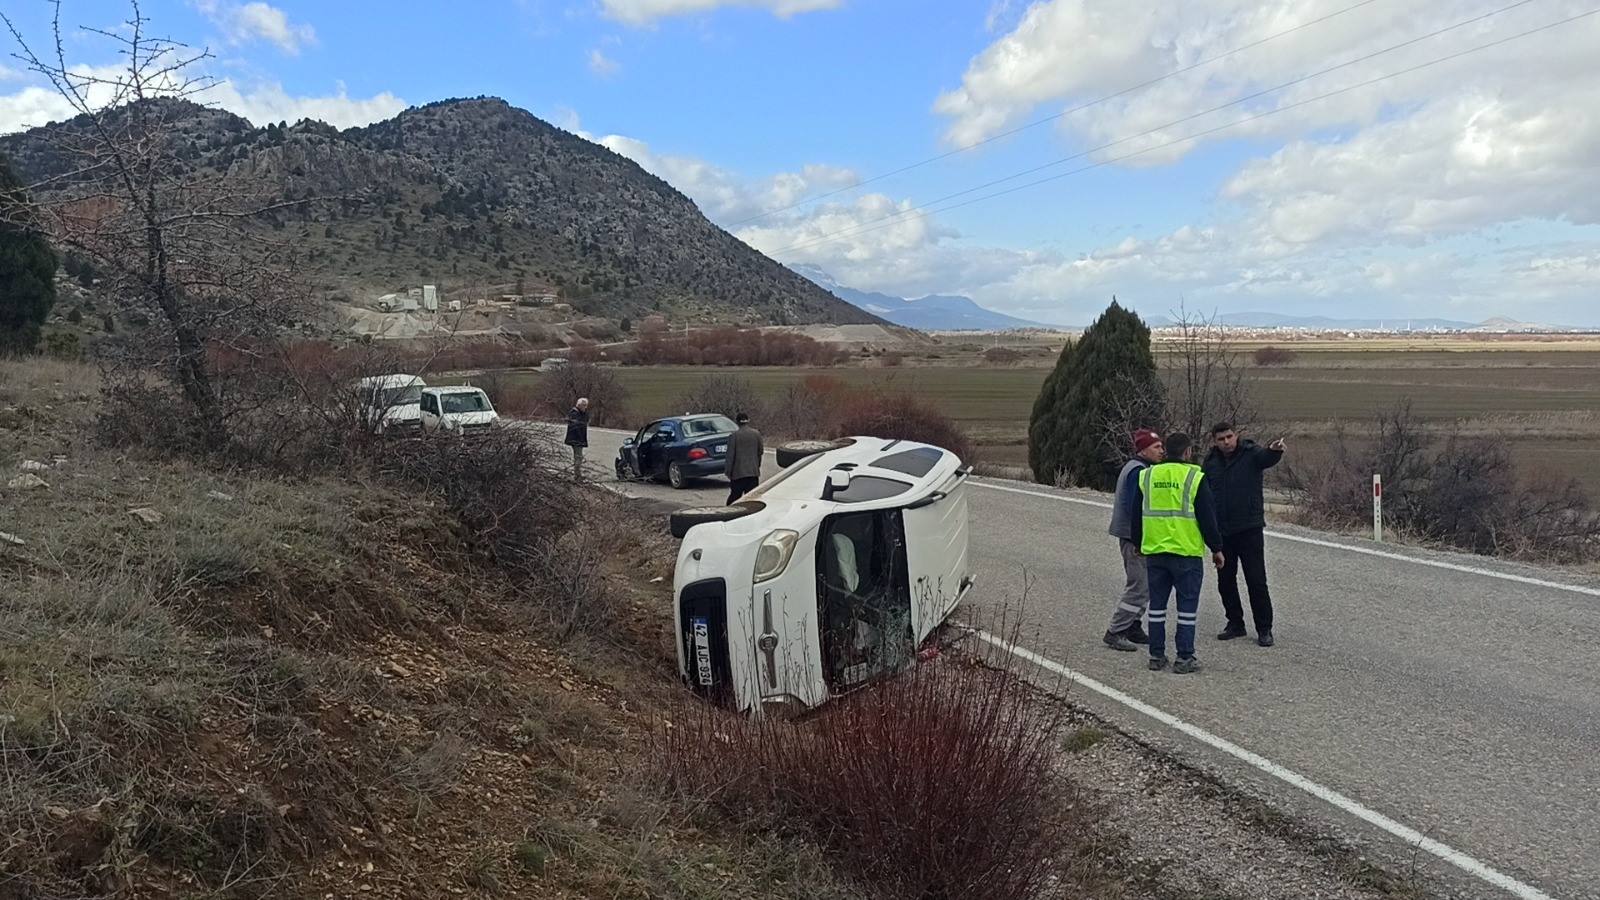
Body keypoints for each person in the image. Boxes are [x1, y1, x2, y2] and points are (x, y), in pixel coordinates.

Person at [1122, 432, 1225, 674]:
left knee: (1157, 607)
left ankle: (1156, 656)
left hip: (1156, 552)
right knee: (1186, 609)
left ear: (1166, 450)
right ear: (1188, 452)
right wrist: (1216, 548)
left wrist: (1138, 542)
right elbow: (1207, 516)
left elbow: (1137, 513)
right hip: (1186, 552)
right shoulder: (1195, 476)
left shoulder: (1147, 476)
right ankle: (1184, 657)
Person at [1202, 422, 1286, 647]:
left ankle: (1264, 629)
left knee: (1256, 580)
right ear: (1215, 441)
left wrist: (1274, 450)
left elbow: (1266, 458)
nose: (1226, 442)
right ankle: (1235, 623)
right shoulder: (1210, 463)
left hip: (1249, 528)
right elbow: (1204, 494)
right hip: (1223, 530)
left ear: (1236, 435)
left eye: (1229, 436)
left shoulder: (1251, 454)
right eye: (1221, 439)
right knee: (1225, 581)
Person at [1103, 428, 1165, 651]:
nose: (1161, 451)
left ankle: (1133, 625)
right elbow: (1136, 508)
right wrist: (1140, 539)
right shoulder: (1138, 471)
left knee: (1146, 584)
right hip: (1134, 538)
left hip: (1136, 536)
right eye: (1157, 447)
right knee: (1139, 585)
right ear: (1143, 449)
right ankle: (1116, 630)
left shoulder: (1139, 468)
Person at [724, 411, 763, 503]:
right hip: (753, 473)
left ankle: (729, 514)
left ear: (736, 422)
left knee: (735, 498)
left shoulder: (734, 436)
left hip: (738, 474)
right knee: (751, 499)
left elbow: (730, 456)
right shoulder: (756, 434)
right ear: (748, 421)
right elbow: (760, 451)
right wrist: (757, 466)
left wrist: (728, 471)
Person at [564, 397, 589, 483]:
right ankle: (577, 475)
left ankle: (577, 474)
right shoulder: (575, 414)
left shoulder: (581, 413)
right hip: (576, 439)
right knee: (578, 457)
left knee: (579, 457)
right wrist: (580, 437)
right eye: (583, 405)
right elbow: (575, 426)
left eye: (586, 405)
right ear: (579, 405)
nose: (585, 407)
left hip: (579, 439)